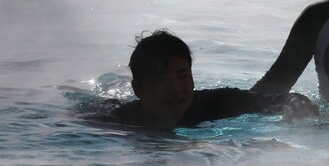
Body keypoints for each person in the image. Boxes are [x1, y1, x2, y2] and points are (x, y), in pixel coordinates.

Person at [101, 31, 317, 130]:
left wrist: (294, 101)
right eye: (161, 79)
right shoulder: (117, 122)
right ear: (138, 89)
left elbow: (269, 100)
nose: (176, 89)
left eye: (182, 75)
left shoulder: (214, 104)